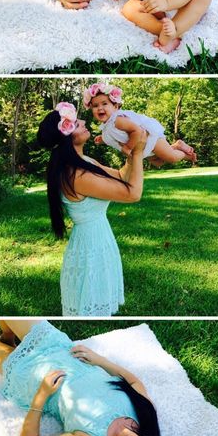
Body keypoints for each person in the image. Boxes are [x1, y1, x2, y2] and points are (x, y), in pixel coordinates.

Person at [0, 320, 175, 436]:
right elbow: (134, 382)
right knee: (10, 318)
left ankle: (3, 342)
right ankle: (7, 336)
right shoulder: (143, 411)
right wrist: (100, 360)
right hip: (63, 350)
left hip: (33, 373)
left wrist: (42, 394)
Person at [36, 101, 146, 316]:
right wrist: (140, 153)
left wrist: (132, 153)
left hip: (99, 239)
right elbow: (133, 194)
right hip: (91, 246)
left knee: (99, 299)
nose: (85, 122)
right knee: (91, 302)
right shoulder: (76, 175)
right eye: (77, 123)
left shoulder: (84, 162)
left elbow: (122, 176)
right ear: (67, 136)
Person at [85, 81, 196, 166]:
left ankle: (184, 153)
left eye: (104, 104)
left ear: (115, 106)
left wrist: (128, 147)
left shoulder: (117, 120)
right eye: (95, 106)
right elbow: (115, 136)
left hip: (150, 139)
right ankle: (175, 146)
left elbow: (136, 130)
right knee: (158, 162)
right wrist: (103, 139)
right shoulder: (107, 127)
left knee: (171, 158)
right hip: (143, 147)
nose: (100, 108)